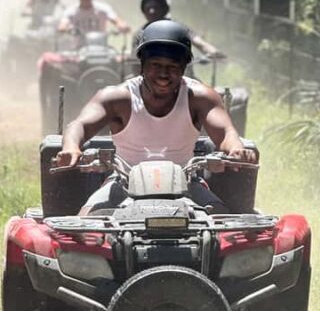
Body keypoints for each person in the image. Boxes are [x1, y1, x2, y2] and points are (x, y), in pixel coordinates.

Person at [55, 20, 255, 213]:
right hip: (122, 183)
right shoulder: (117, 97)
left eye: (172, 67)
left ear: (184, 67)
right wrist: (71, 147)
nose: (163, 74)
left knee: (223, 227)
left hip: (187, 184)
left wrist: (236, 148)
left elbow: (226, 132)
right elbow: (78, 125)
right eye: (156, 65)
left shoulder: (199, 97)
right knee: (85, 226)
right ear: (142, 64)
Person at [134, 0, 223, 57]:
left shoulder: (177, 28)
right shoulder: (140, 33)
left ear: (163, 9)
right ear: (144, 10)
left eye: (155, 7)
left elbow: (197, 41)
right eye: (148, 8)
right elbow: (133, 58)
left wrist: (212, 51)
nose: (152, 11)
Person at [59, 0, 130, 35]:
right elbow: (63, 25)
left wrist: (121, 25)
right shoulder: (71, 11)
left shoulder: (103, 8)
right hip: (78, 49)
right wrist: (67, 29)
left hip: (101, 48)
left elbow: (116, 20)